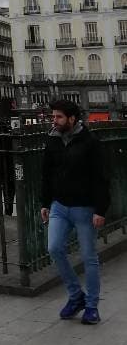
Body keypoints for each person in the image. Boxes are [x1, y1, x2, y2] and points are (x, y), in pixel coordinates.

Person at [41, 100, 109, 325]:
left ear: (72, 119)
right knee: (54, 248)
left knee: (89, 257)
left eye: (59, 117)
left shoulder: (90, 142)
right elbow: (46, 174)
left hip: (84, 207)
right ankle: (75, 295)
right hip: (59, 206)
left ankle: (91, 306)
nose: (54, 120)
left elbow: (101, 177)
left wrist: (100, 209)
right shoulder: (52, 140)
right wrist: (45, 203)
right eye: (54, 116)